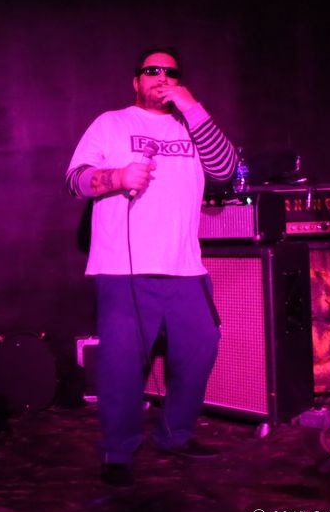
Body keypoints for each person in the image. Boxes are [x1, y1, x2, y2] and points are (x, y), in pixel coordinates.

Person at [65, 47, 237, 488]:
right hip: (125, 267)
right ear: (136, 80)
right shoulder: (111, 123)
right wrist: (117, 177)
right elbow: (75, 180)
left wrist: (192, 106)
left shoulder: (191, 126)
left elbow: (226, 170)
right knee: (122, 364)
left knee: (200, 349)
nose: (161, 77)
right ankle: (118, 450)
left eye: (171, 73)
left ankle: (175, 435)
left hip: (185, 267)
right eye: (152, 70)